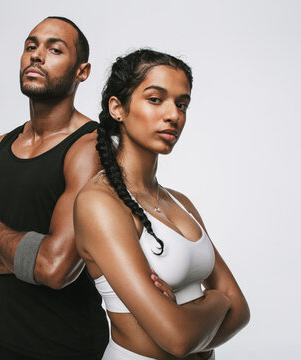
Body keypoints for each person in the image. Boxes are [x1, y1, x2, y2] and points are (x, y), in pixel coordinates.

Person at [0, 17, 110, 360]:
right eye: (30, 46)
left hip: (69, 349)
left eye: (55, 49)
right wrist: (35, 260)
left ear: (82, 71)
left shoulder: (91, 147)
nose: (36, 56)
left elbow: (56, 268)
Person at [74, 49, 251, 360]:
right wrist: (218, 301)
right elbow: (177, 338)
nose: (174, 115)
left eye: (182, 104)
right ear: (118, 108)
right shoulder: (99, 204)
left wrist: (193, 315)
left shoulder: (180, 203)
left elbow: (243, 312)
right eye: (155, 99)